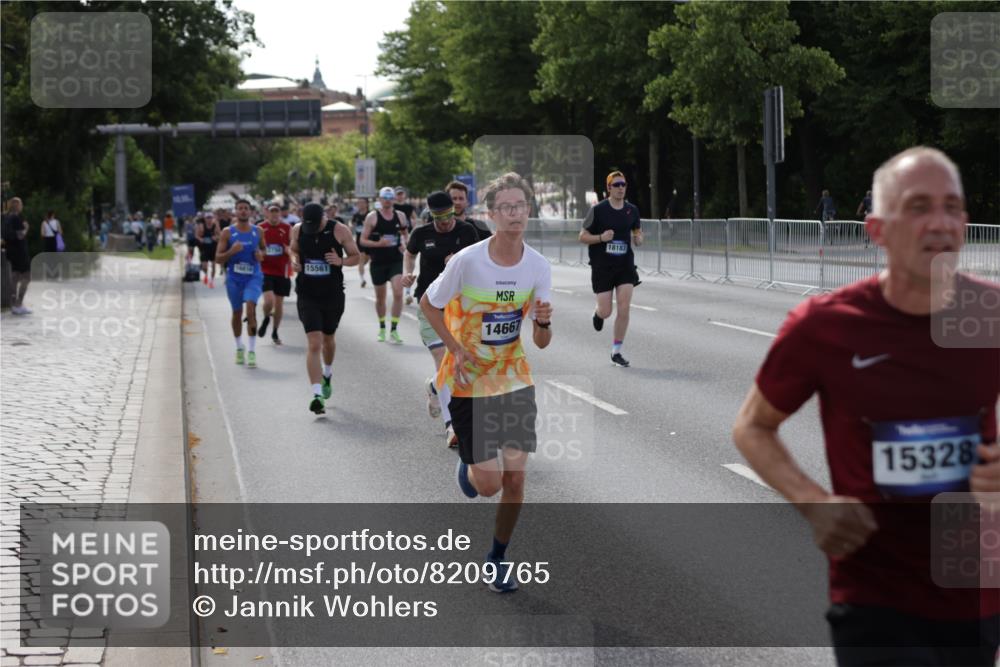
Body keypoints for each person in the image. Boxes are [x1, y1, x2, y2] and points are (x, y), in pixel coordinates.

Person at [732, 147, 999, 667]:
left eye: (952, 207)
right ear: (876, 230)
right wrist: (812, 502)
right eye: (919, 207)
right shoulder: (826, 325)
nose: (940, 223)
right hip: (874, 595)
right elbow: (752, 427)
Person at [420, 172, 553, 593]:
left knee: (515, 479)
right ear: (492, 215)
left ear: (528, 212)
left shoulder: (538, 266)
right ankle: (469, 466)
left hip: (513, 379)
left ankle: (496, 558)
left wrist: (545, 323)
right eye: (506, 207)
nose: (515, 213)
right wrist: (455, 348)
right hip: (469, 381)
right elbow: (428, 303)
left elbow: (542, 341)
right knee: (490, 484)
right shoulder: (468, 261)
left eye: (521, 206)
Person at [403, 190, 479, 447]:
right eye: (439, 217)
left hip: (460, 305)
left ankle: (435, 387)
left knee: (459, 362)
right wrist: (407, 272)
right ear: (431, 215)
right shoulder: (421, 234)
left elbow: (478, 262)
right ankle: (451, 426)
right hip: (430, 305)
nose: (445, 221)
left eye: (448, 215)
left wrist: (457, 262)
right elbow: (410, 253)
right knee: (442, 359)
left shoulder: (467, 231)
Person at [289, 202, 360, 414]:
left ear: (324, 218)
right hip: (307, 293)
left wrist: (340, 261)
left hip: (332, 294)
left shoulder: (340, 230)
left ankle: (327, 374)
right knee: (314, 343)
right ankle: (317, 394)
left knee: (328, 340)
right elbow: (293, 249)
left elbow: (356, 257)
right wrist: (295, 261)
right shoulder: (298, 229)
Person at [578, 171, 643, 368]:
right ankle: (598, 314)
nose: (621, 188)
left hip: (625, 266)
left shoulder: (632, 210)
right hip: (602, 266)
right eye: (616, 185)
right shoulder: (598, 210)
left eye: (623, 184)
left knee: (624, 307)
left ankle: (616, 351)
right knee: (607, 311)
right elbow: (582, 236)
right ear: (609, 188)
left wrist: (639, 239)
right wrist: (600, 238)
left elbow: (637, 232)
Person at [216, 199, 265, 368]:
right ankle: (239, 347)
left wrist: (261, 256)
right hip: (234, 278)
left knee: (250, 309)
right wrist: (231, 251)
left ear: (250, 212)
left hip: (253, 277)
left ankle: (251, 351)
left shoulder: (258, 231)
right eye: (240, 209)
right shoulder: (227, 233)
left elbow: (263, 250)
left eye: (246, 208)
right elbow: (218, 258)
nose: (243, 211)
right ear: (235, 212)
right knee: (237, 313)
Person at [360, 186, 408, 343]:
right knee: (380, 298)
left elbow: (405, 234)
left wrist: (404, 245)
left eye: (390, 197)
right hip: (378, 262)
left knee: (398, 292)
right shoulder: (372, 217)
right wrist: (378, 244)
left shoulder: (400, 216)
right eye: (384, 197)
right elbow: (362, 240)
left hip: (395, 259)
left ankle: (394, 329)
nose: (387, 200)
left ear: (394, 199)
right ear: (380, 199)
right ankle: (382, 327)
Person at [257, 203, 292, 346]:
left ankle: (275, 331)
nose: (274, 214)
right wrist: (258, 253)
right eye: (272, 212)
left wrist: (288, 250)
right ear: (266, 213)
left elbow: (293, 247)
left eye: (277, 212)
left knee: (278, 304)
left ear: (280, 214)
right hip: (265, 270)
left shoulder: (287, 228)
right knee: (269, 301)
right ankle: (266, 317)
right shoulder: (260, 228)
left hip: (282, 270)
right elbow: (255, 246)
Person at [2, 197, 31, 315]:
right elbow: (20, 235)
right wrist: (26, 228)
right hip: (20, 252)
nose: (22, 206)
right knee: (27, 277)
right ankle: (19, 303)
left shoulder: (6, 217)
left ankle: (14, 305)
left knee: (14, 277)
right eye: (21, 204)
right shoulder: (16, 218)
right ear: (17, 206)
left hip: (11, 252)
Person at [394, 187, 417, 304]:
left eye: (401, 194)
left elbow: (414, 217)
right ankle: (399, 288)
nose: (400, 196)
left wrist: (413, 222)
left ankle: (407, 291)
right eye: (398, 194)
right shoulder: (393, 207)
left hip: (408, 236)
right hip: (396, 237)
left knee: (409, 262)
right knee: (399, 264)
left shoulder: (409, 207)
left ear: (404, 195)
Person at [196, 212, 221, 287]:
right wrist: (200, 239)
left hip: (213, 247)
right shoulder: (201, 226)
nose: (209, 219)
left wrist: (216, 238)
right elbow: (197, 235)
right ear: (205, 219)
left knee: (213, 265)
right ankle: (206, 274)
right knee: (204, 266)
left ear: (212, 218)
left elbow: (220, 235)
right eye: (207, 218)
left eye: (210, 217)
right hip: (204, 248)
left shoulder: (215, 226)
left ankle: (212, 281)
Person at [351, 197, 370, 288]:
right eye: (359, 203)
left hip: (371, 240)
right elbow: (352, 224)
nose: (360, 205)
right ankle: (362, 279)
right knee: (361, 259)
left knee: (367, 259)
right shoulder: (356, 215)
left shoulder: (370, 214)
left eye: (362, 203)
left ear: (366, 204)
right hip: (360, 240)